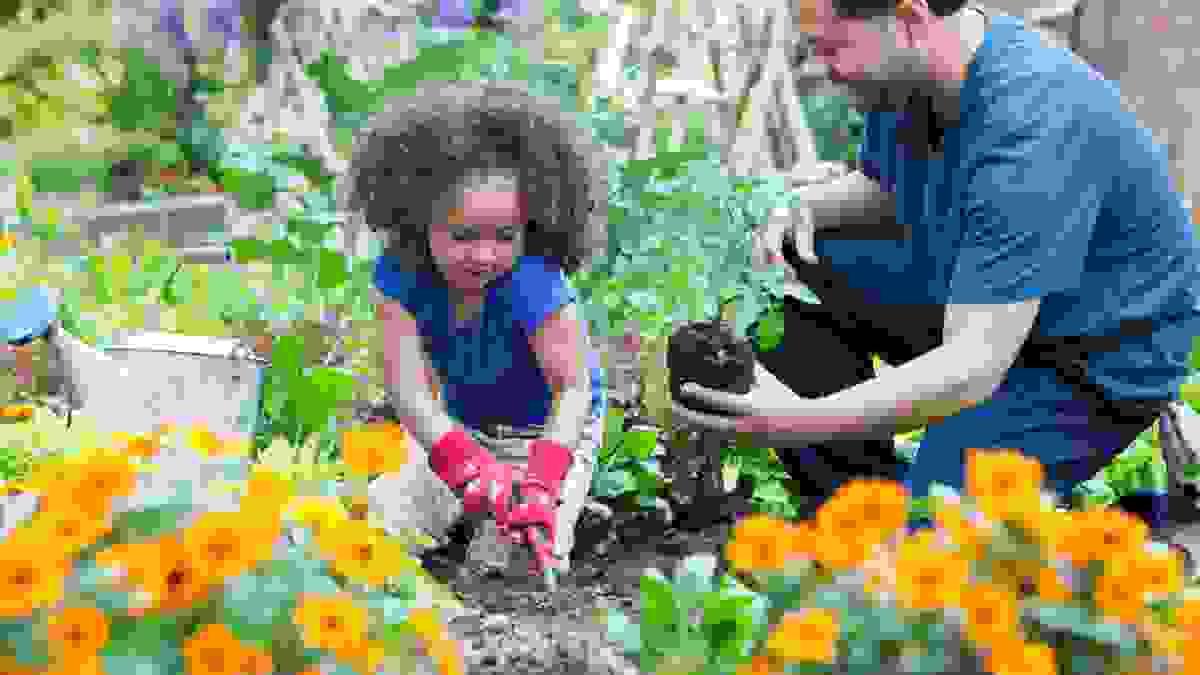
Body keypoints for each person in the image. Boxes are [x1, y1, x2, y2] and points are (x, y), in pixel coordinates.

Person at [672, 0, 1200, 542]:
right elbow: (886, 189)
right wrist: (793, 207)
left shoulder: (1027, 124)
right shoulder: (911, 78)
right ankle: (861, 500)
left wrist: (797, 420)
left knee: (931, 565)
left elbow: (974, 362)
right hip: (997, 305)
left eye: (833, 48)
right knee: (799, 252)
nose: (824, 67)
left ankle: (1148, 534)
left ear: (910, 19)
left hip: (1093, 359)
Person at [340, 81, 609, 582]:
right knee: (371, 534)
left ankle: (564, 508)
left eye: (503, 236)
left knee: (510, 575)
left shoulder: (535, 281)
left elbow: (572, 390)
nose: (484, 256)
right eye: (463, 236)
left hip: (549, 430)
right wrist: (464, 464)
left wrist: (542, 484)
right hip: (463, 427)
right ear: (419, 223)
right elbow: (410, 392)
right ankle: (477, 512)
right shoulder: (400, 276)